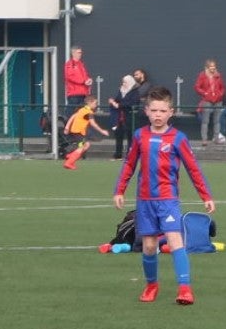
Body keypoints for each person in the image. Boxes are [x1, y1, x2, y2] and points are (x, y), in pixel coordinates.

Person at [112, 86, 214, 306]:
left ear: (171, 112)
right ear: (147, 111)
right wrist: (119, 190)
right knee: (149, 246)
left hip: (167, 200)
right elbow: (129, 164)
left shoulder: (178, 138)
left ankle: (185, 289)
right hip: (145, 201)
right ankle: (151, 285)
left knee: (175, 240)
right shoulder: (140, 136)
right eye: (154, 110)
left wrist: (206, 195)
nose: (158, 115)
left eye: (162, 111)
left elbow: (193, 168)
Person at [62, 96, 110, 170]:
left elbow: (73, 116)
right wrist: (102, 131)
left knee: (87, 145)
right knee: (81, 147)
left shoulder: (82, 109)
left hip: (76, 131)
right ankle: (68, 163)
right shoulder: (89, 112)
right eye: (95, 103)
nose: (96, 105)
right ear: (89, 103)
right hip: (78, 132)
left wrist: (67, 126)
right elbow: (93, 124)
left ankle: (71, 155)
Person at [108, 69, 146, 159]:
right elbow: (117, 99)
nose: (123, 84)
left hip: (130, 117)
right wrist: (113, 102)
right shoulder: (121, 90)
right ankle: (118, 155)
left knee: (130, 136)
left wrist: (119, 105)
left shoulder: (135, 92)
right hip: (120, 117)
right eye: (123, 82)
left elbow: (132, 103)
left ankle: (130, 154)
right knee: (118, 134)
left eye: (125, 82)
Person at [194, 59, 226, 143]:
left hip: (218, 100)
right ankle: (204, 139)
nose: (213, 68)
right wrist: (204, 93)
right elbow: (197, 87)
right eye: (211, 66)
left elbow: (222, 87)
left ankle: (216, 138)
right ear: (207, 67)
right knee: (205, 121)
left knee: (217, 120)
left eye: (214, 66)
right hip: (207, 100)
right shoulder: (202, 75)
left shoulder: (218, 75)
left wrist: (220, 94)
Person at [63, 46, 90, 121]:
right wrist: (84, 81)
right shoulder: (69, 64)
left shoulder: (81, 64)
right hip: (74, 93)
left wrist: (88, 80)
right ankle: (67, 125)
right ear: (73, 53)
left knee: (82, 113)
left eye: (81, 52)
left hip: (83, 93)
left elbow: (85, 75)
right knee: (70, 112)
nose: (80, 54)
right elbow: (70, 76)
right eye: (79, 52)